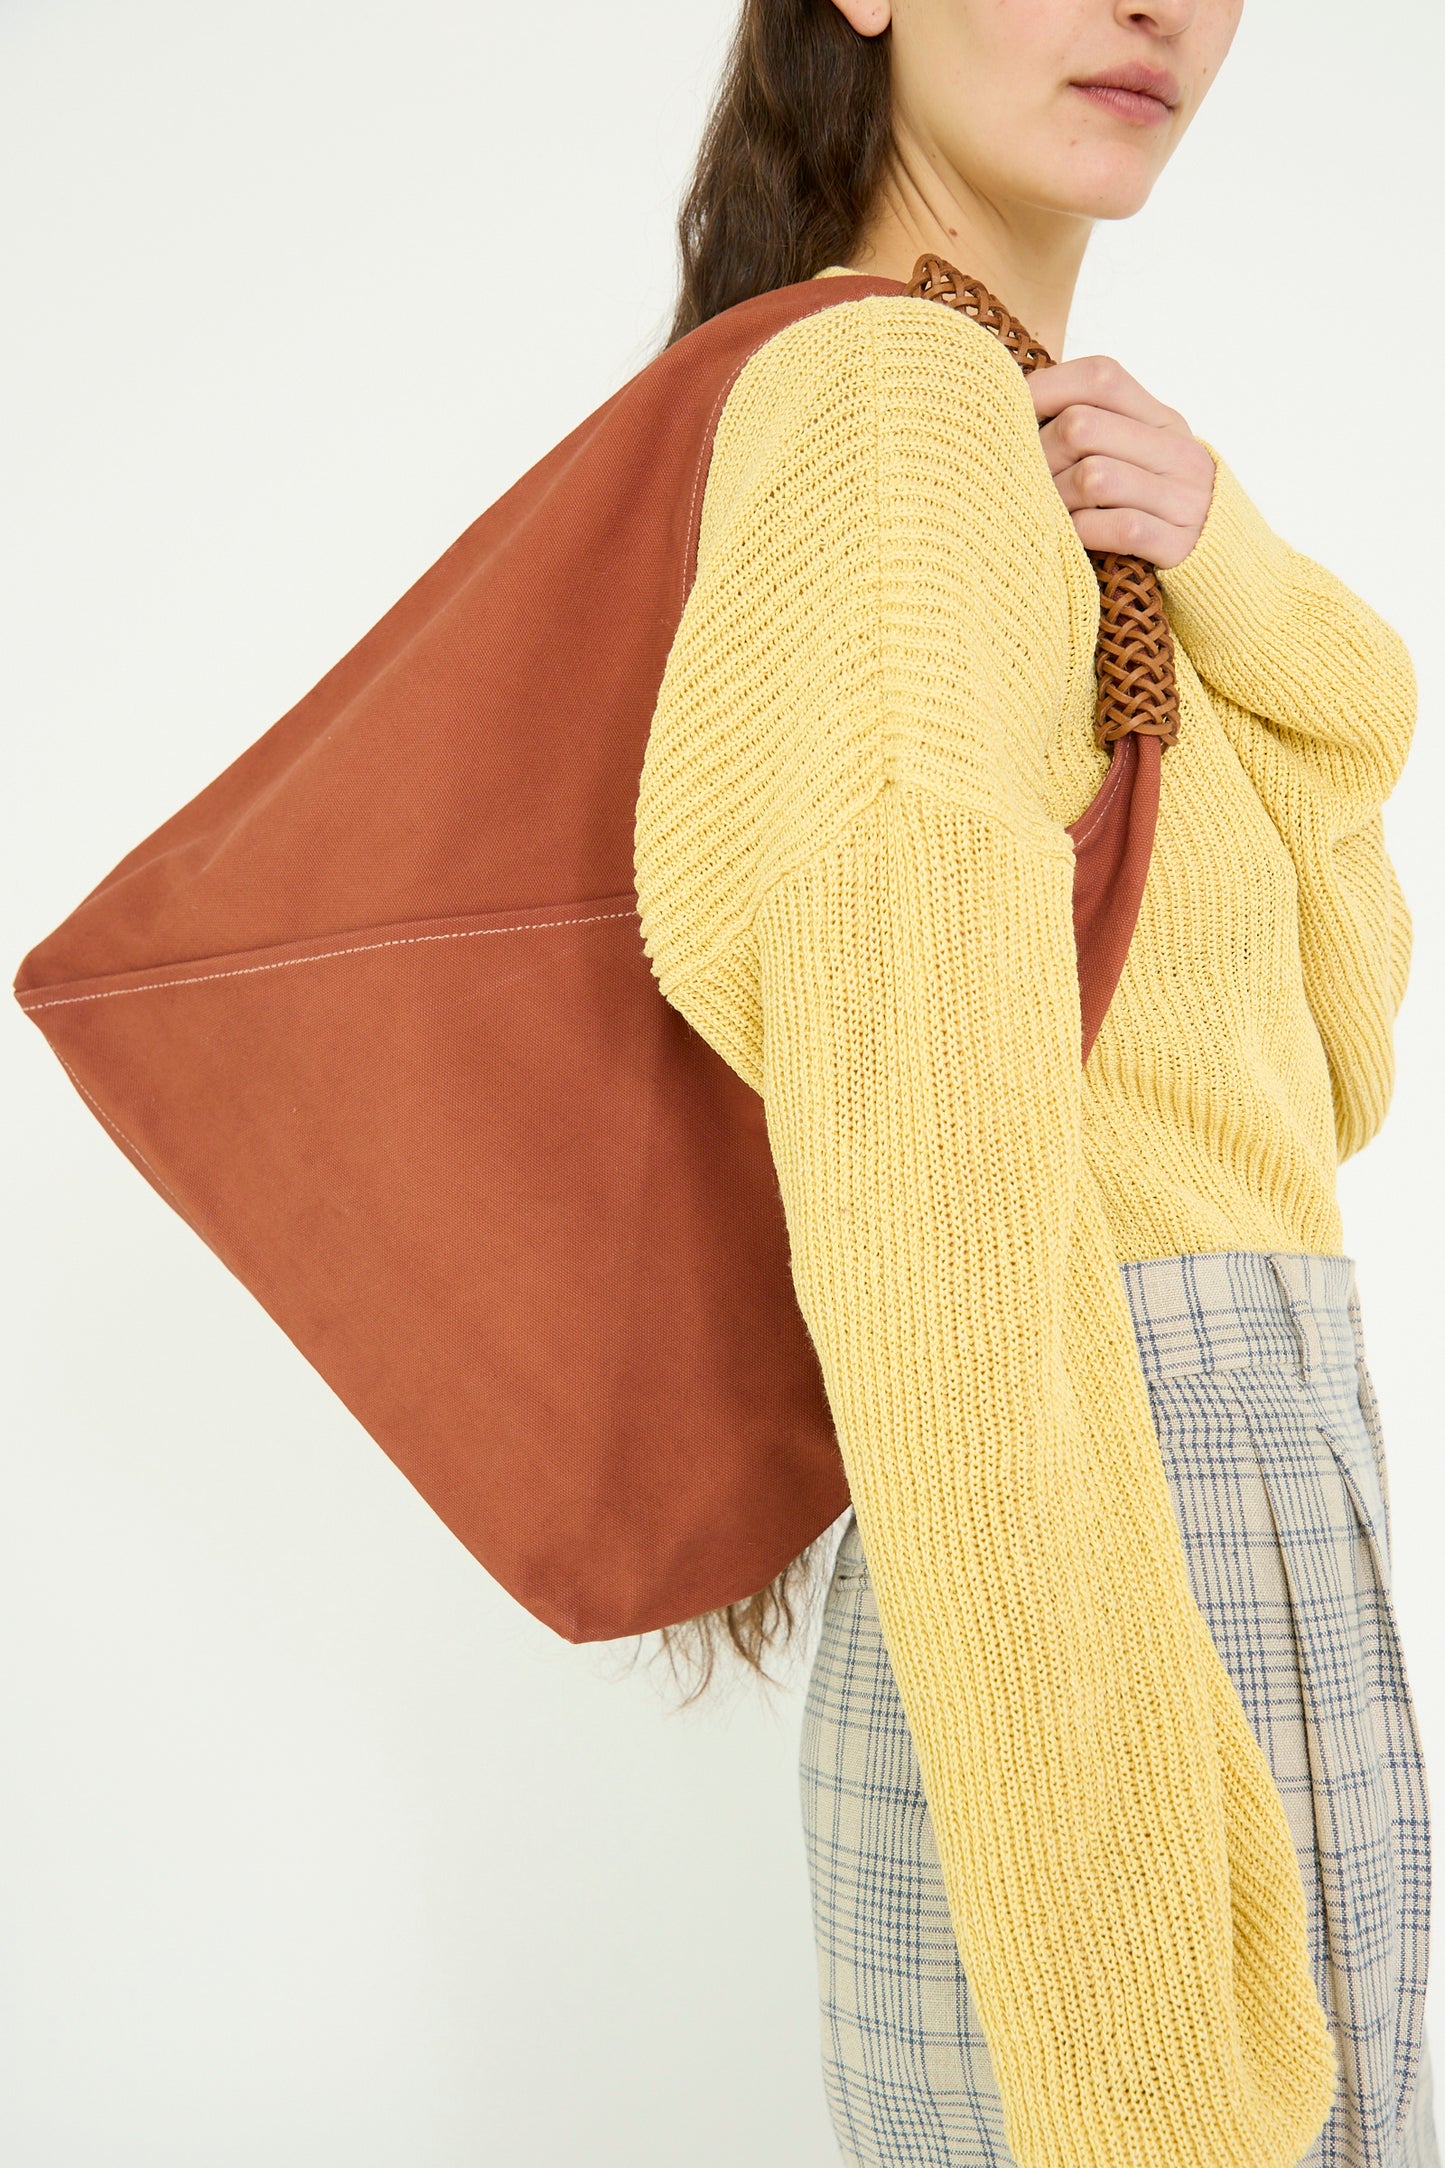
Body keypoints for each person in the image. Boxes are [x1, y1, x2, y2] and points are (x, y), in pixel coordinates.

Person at [632, 2, 1438, 2165]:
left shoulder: (1024, 451)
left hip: (1230, 1538)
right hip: (1080, 1599)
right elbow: (944, 1272)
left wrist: (1225, 566)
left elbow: (1332, 1068)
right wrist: (1144, 2064)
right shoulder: (896, 430)